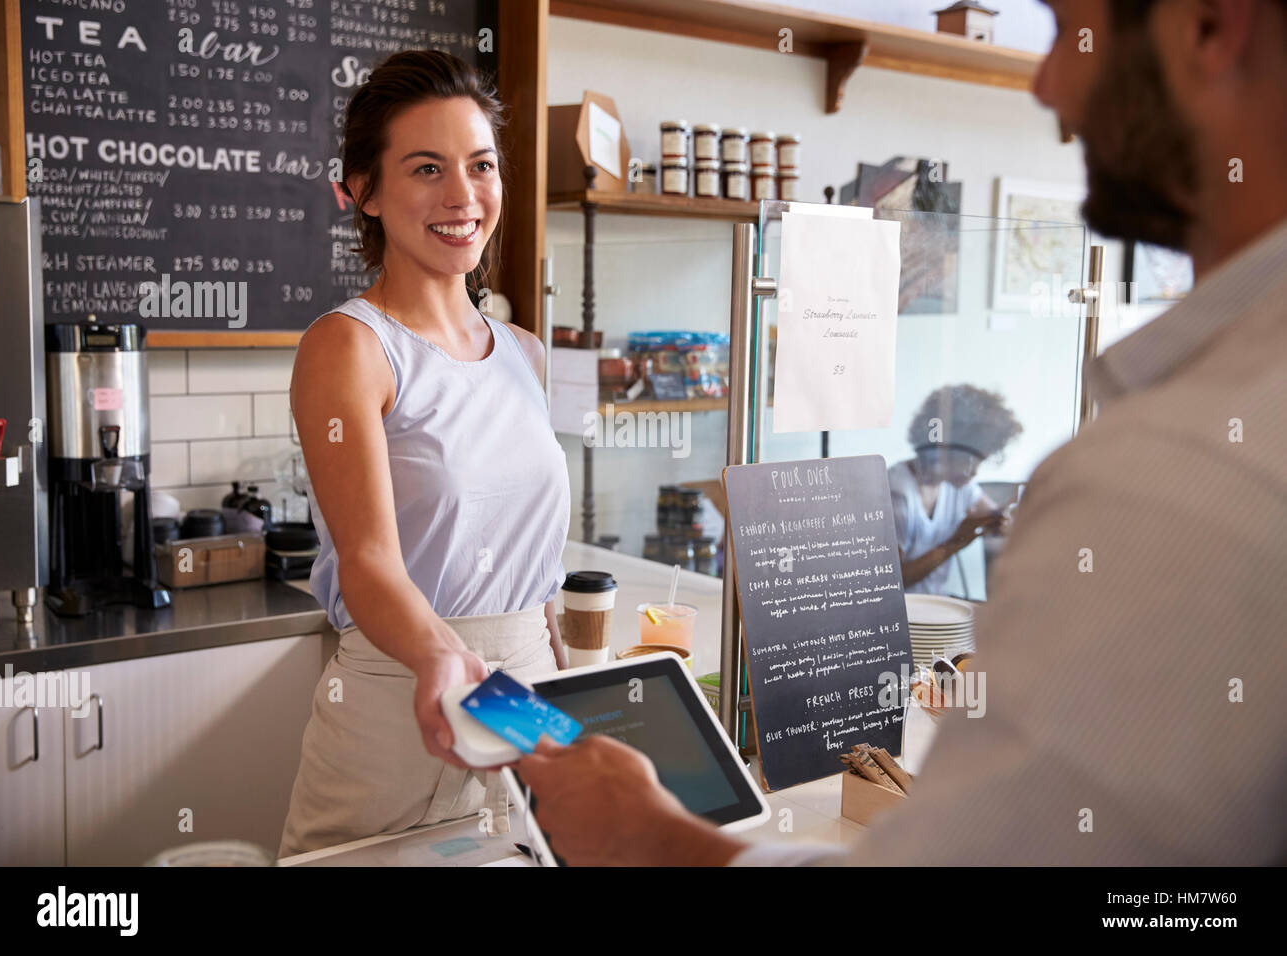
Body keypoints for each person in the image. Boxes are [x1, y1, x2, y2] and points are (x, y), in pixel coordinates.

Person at [516, 0, 1287, 865]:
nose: (1046, 82)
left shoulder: (1175, 473)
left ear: (1211, 25)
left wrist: (648, 837)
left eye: (1074, 30)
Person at [277, 51, 570, 857]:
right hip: (400, 703)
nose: (462, 196)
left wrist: (579, 685)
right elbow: (370, 564)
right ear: (363, 191)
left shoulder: (525, 353)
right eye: (426, 168)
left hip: (523, 697)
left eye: (480, 166)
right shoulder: (349, 347)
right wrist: (447, 662)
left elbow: (536, 573)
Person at [889, 385, 1022, 593]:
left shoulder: (959, 486)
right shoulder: (898, 493)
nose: (975, 472)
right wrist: (955, 543)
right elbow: (892, 582)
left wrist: (1003, 520)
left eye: (981, 461)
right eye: (970, 460)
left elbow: (996, 516)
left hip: (937, 611)